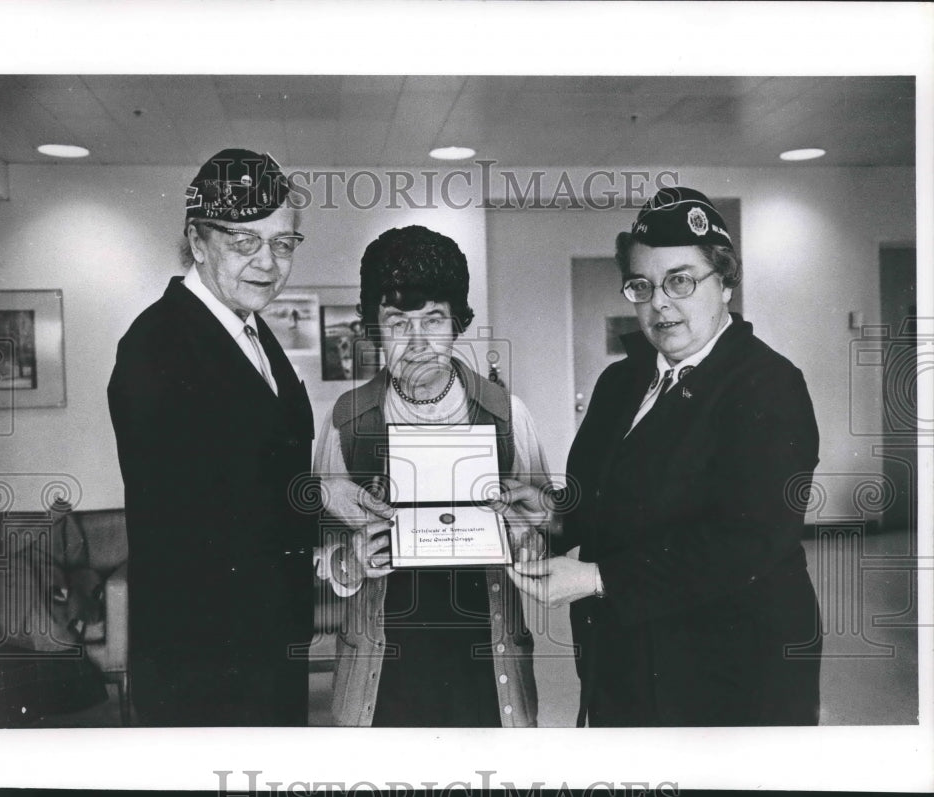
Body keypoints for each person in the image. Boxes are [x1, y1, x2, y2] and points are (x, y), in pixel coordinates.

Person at [507, 187, 822, 726]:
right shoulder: (619, 382)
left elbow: (749, 540)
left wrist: (597, 579)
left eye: (681, 280)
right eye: (642, 285)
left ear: (725, 282)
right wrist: (555, 512)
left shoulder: (768, 385)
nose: (659, 303)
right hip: (627, 657)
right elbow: (612, 493)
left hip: (731, 670)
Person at [107, 148, 315, 726]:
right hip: (204, 663)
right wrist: (324, 507)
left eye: (283, 243)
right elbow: (199, 518)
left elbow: (263, 467)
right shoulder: (158, 345)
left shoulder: (251, 331)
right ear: (198, 242)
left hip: (266, 640)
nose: (267, 263)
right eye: (245, 241)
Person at [313, 225, 550, 727]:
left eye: (434, 319)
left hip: (488, 666)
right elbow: (317, 554)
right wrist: (349, 562)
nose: (418, 342)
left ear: (458, 323)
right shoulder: (346, 421)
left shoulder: (508, 415)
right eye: (398, 322)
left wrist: (530, 539)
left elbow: (549, 530)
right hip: (382, 675)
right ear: (374, 328)